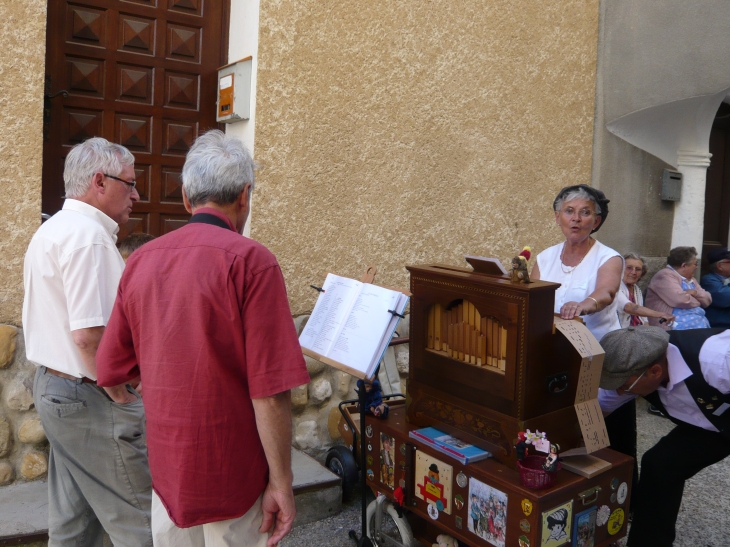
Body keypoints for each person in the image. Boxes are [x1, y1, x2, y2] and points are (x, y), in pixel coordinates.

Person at [96, 130, 310, 547]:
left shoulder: (141, 261)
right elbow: (269, 392)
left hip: (169, 477)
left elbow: (110, 371)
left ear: (186, 198)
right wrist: (282, 483)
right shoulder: (253, 262)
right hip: (234, 479)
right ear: (244, 196)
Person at [22, 138, 151, 546]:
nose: (136, 194)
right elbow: (89, 336)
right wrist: (120, 394)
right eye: (129, 183)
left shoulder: (56, 228)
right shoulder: (88, 237)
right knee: (140, 522)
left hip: (59, 389)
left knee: (75, 524)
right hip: (89, 395)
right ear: (99, 181)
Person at [598, 326, 730, 547]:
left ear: (655, 371)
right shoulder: (634, 373)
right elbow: (597, 409)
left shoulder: (717, 359)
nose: (619, 392)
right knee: (660, 464)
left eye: (623, 385)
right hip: (708, 426)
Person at [531, 184, 623, 341]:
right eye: (569, 211)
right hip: (550, 345)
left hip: (599, 347)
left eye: (585, 212)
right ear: (557, 217)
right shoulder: (544, 258)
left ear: (596, 222)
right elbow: (533, 300)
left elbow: (606, 292)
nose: (576, 218)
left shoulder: (609, 258)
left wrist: (583, 306)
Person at [644, 246, 712, 330]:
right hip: (674, 327)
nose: (696, 267)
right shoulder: (665, 275)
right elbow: (680, 300)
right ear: (684, 266)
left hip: (697, 324)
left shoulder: (691, 279)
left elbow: (707, 300)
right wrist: (699, 301)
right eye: (695, 264)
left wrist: (695, 293)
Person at [616, 252, 675, 328]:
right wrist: (661, 314)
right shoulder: (615, 286)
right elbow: (628, 307)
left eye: (638, 269)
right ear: (621, 269)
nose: (633, 272)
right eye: (629, 268)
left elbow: (643, 318)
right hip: (619, 333)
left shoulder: (636, 289)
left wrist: (647, 332)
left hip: (636, 331)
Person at [700, 247, 730, 328]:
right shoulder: (708, 280)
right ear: (720, 266)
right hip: (720, 324)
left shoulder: (725, 278)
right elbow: (726, 297)